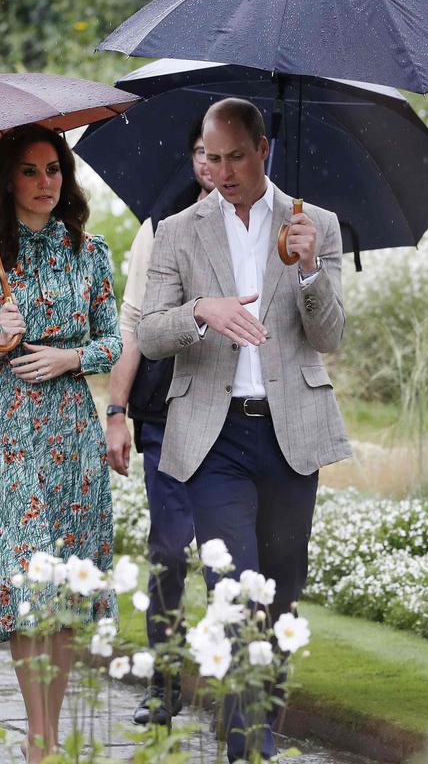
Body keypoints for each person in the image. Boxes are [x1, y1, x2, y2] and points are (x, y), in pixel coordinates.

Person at [137, 98, 351, 760]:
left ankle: (254, 734)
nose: (222, 171)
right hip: (214, 437)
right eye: (211, 157)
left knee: (280, 600)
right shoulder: (177, 231)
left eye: (235, 157)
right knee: (236, 594)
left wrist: (310, 269)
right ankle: (245, 748)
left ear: (263, 149)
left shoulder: (315, 224)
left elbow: (331, 335)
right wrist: (203, 310)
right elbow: (148, 333)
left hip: (292, 437)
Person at [0, 124, 121, 762]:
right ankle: (39, 738)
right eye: (30, 171)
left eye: (54, 170)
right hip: (10, 432)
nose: (45, 183)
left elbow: (113, 340)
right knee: (27, 586)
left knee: (66, 587)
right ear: (7, 180)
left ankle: (50, 730)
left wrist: (70, 356)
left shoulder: (89, 251)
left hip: (72, 431)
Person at [105, 118, 214, 726]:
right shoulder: (160, 225)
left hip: (237, 416)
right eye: (201, 151)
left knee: (238, 558)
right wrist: (117, 411)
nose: (211, 164)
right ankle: (165, 684)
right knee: (170, 550)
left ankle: (243, 692)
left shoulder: (277, 228)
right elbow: (133, 321)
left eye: (224, 153)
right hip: (164, 410)